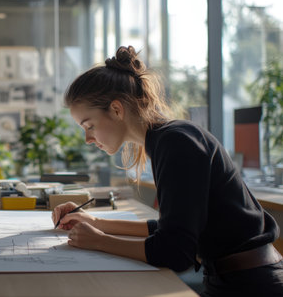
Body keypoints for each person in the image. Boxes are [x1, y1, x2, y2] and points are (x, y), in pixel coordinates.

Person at [52, 46, 283, 296]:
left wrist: (98, 241)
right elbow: (170, 228)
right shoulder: (167, 140)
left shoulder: (176, 144)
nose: (88, 138)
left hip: (250, 286)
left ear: (117, 110)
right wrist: (96, 223)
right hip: (235, 279)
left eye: (90, 126)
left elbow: (175, 253)